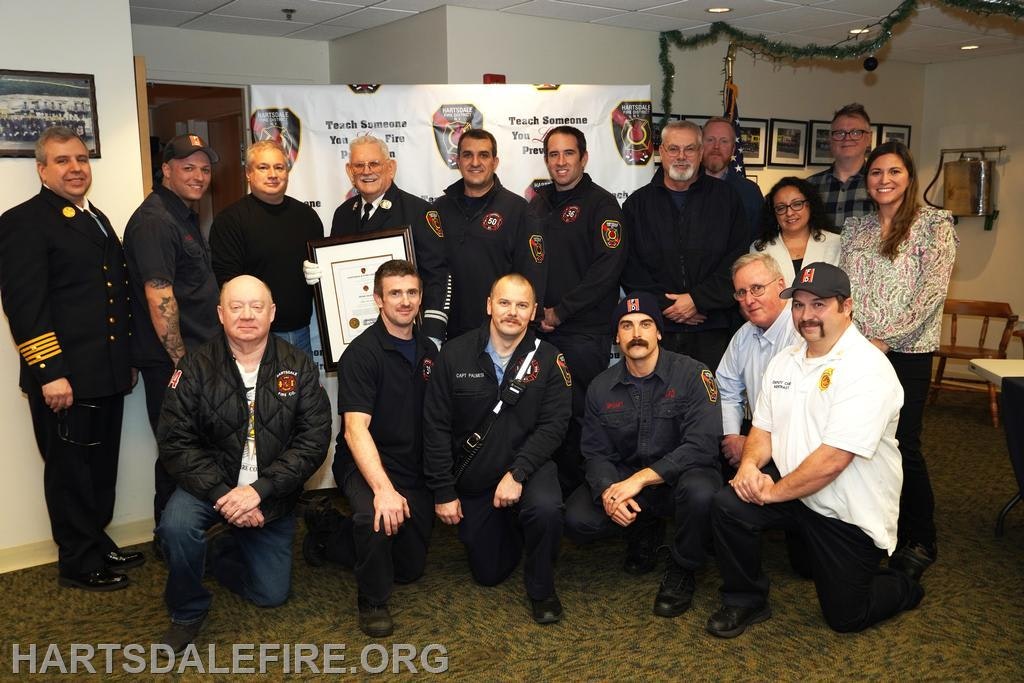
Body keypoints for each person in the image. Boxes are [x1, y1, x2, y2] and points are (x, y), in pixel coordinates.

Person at [706, 262, 923, 638]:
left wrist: (772, 492)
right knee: (729, 505)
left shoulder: (867, 368)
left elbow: (833, 461)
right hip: (796, 492)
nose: (806, 315)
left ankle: (904, 586)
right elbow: (763, 427)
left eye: (819, 304)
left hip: (846, 510)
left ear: (846, 306)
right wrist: (748, 468)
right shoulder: (785, 361)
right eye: (799, 305)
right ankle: (745, 600)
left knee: (846, 617)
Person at [155, 275, 332, 653]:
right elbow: (175, 442)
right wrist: (225, 497)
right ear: (221, 314)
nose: (247, 315)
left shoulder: (298, 365)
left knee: (271, 595)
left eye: (256, 306)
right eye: (236, 307)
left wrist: (258, 492)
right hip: (209, 487)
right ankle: (187, 610)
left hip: (271, 492)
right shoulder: (193, 367)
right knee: (176, 526)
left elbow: (312, 441)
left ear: (272, 313)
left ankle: (219, 551)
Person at [0, 126, 142, 590]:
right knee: (69, 473)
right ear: (41, 169)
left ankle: (95, 542)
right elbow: (25, 305)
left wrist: (127, 358)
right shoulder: (24, 221)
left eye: (81, 158)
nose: (76, 168)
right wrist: (50, 373)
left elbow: (111, 295)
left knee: (99, 468)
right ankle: (78, 562)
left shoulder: (94, 216)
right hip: (66, 379)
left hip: (105, 373)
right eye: (62, 160)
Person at [840, 140, 958, 581]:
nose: (884, 180)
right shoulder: (858, 230)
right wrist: (856, 341)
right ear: (867, 181)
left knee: (903, 445)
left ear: (909, 177)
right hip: (858, 352)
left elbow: (931, 295)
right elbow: (845, 293)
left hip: (906, 353)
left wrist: (886, 341)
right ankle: (873, 529)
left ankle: (920, 538)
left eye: (894, 172)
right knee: (862, 443)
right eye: (876, 173)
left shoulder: (934, 226)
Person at [423, 273, 571, 624]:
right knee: (488, 574)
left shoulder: (550, 360)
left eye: (522, 305)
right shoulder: (454, 355)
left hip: (528, 469)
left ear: (534, 312)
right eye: (504, 302)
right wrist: (443, 491)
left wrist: (518, 473)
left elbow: (554, 426)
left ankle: (542, 588)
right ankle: (511, 528)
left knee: (547, 509)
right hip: (476, 477)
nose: (512, 312)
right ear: (489, 305)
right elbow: (436, 427)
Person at [564, 292, 722, 618]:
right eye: (627, 325)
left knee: (702, 491)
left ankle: (683, 566)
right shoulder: (600, 387)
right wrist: (609, 492)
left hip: (681, 477)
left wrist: (639, 480)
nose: (637, 333)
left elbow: (702, 445)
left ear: (659, 332)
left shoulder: (693, 374)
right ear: (617, 337)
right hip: (629, 478)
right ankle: (643, 527)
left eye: (646, 324)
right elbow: (594, 453)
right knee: (577, 519)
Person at [305, 260, 437, 637]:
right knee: (375, 517)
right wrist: (382, 490)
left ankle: (334, 529)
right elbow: (354, 430)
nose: (405, 301)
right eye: (395, 293)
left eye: (412, 292)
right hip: (364, 463)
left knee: (409, 570)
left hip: (410, 466)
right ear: (378, 299)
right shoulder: (361, 354)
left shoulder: (429, 350)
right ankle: (372, 599)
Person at [124, 133, 221, 531]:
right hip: (175, 364)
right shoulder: (155, 222)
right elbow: (159, 296)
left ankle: (190, 535)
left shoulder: (181, 215)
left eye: (204, 168)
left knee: (191, 448)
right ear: (166, 170)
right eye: (188, 167)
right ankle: (171, 537)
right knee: (178, 452)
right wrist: (182, 363)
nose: (198, 176)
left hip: (195, 357)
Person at [529, 125, 627, 493]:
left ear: (584, 158)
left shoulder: (602, 205)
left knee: (581, 413)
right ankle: (553, 490)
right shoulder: (537, 204)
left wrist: (561, 311)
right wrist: (536, 312)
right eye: (553, 154)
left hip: (583, 331)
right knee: (546, 413)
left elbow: (607, 269)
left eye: (568, 153)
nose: (561, 161)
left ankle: (586, 491)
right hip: (541, 329)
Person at [622, 120, 747, 371]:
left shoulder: (727, 200)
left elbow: (738, 260)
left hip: (714, 328)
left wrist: (697, 300)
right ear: (661, 153)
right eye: (673, 149)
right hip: (657, 328)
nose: (681, 157)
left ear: (701, 153)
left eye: (690, 149)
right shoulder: (637, 205)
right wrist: (667, 306)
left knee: (709, 404)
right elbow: (629, 267)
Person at [302, 135, 448, 343]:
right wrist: (321, 275)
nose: (366, 171)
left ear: (391, 168)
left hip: (409, 335)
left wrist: (433, 332)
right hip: (355, 336)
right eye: (359, 165)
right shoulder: (343, 214)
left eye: (374, 164)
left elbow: (437, 276)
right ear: (349, 171)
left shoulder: (418, 211)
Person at [209, 140, 323, 357]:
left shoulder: (307, 217)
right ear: (248, 174)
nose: (273, 174)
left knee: (304, 391)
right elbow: (228, 284)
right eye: (263, 167)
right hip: (253, 338)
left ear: (287, 172)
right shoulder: (230, 221)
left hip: (302, 333)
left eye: (279, 167)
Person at [430, 129, 545, 339]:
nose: (475, 162)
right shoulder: (439, 209)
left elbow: (532, 275)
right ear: (457, 161)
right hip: (449, 334)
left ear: (495, 162)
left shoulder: (517, 210)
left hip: (501, 334)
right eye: (467, 155)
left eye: (483, 155)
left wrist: (529, 328)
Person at [716, 253, 799, 471]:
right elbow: (726, 391)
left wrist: (754, 446)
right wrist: (733, 437)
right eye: (741, 292)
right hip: (752, 445)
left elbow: (800, 409)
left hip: (797, 451)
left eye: (757, 288)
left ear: (781, 284)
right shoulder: (743, 336)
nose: (749, 300)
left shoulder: (801, 331)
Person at [751, 177, 841, 285]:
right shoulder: (760, 249)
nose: (789, 213)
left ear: (810, 205)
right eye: (781, 208)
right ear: (773, 213)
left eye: (797, 204)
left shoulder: (836, 243)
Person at [806, 103, 875, 232]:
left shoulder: (879, 184)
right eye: (839, 133)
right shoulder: (810, 186)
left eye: (855, 132)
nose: (847, 138)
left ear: (869, 138)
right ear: (830, 139)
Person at [701, 116, 764, 246]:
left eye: (724, 141)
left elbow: (759, 241)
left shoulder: (750, 192)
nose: (716, 147)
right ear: (700, 145)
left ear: (733, 149)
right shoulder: (683, 187)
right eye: (710, 140)